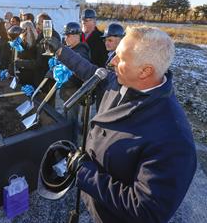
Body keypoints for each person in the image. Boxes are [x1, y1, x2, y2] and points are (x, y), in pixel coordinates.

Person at [46, 26, 197, 223]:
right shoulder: (120, 80)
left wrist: (85, 172)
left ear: (145, 71)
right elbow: (90, 70)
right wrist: (60, 51)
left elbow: (145, 211)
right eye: (115, 55)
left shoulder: (173, 137)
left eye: (121, 58)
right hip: (96, 202)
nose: (112, 62)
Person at [59, 22, 90, 140]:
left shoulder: (80, 52)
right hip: (68, 92)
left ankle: (71, 145)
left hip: (73, 92)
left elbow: (80, 75)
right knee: (68, 119)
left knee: (71, 122)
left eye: (68, 35)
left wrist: (63, 75)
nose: (65, 38)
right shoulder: (72, 49)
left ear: (76, 36)